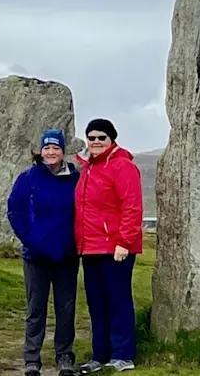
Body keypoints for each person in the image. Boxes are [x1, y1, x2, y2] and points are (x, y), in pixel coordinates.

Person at [7, 129, 80, 376]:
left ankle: (64, 357)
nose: (51, 152)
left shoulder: (74, 178)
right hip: (36, 254)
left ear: (62, 151)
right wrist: (32, 239)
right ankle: (32, 360)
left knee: (66, 309)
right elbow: (15, 212)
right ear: (40, 151)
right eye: (47, 148)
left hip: (67, 254)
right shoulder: (28, 178)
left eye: (56, 148)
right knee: (35, 310)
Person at [74, 118, 143, 373]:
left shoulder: (122, 166)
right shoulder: (88, 169)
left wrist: (124, 242)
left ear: (112, 139)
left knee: (118, 300)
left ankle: (123, 354)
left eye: (101, 137)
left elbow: (132, 206)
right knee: (96, 303)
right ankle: (99, 355)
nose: (95, 142)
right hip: (90, 246)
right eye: (91, 138)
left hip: (115, 247)